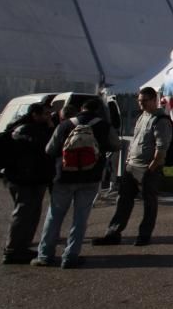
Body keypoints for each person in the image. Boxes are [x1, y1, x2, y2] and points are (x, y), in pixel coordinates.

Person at [32, 98, 119, 268]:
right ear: (99, 110)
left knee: (54, 216)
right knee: (80, 218)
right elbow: (115, 145)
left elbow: (49, 149)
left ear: (81, 108)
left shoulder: (65, 125)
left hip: (65, 176)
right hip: (91, 177)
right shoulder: (103, 126)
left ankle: (45, 255)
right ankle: (70, 256)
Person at [92, 87, 171, 247]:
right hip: (132, 166)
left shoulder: (161, 120)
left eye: (144, 101)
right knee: (123, 200)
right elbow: (135, 140)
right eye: (139, 101)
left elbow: (161, 148)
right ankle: (113, 233)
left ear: (153, 100)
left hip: (148, 168)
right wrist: (128, 161)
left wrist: (152, 167)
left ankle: (144, 235)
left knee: (149, 203)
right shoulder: (142, 116)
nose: (140, 104)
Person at [1, 103, 55, 264]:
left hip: (25, 178)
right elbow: (49, 148)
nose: (49, 117)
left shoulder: (18, 128)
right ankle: (13, 250)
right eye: (46, 114)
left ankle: (21, 247)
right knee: (24, 213)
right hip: (27, 179)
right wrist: (51, 129)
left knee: (29, 212)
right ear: (35, 115)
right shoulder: (29, 130)